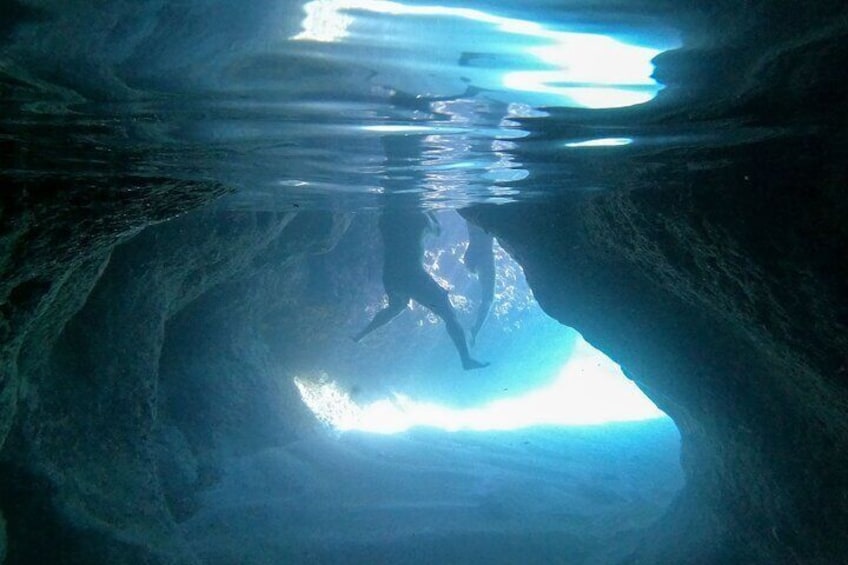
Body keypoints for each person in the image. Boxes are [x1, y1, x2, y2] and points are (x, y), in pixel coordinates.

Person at [354, 208, 489, 370]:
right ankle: (466, 359)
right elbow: (438, 231)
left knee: (396, 306)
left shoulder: (386, 216)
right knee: (448, 313)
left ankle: (360, 335)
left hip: (390, 274)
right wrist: (431, 212)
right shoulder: (421, 217)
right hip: (413, 275)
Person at [463, 221, 495, 346]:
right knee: (488, 298)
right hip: (484, 255)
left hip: (473, 253)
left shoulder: (471, 212)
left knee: (487, 298)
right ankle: (474, 331)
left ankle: (474, 330)